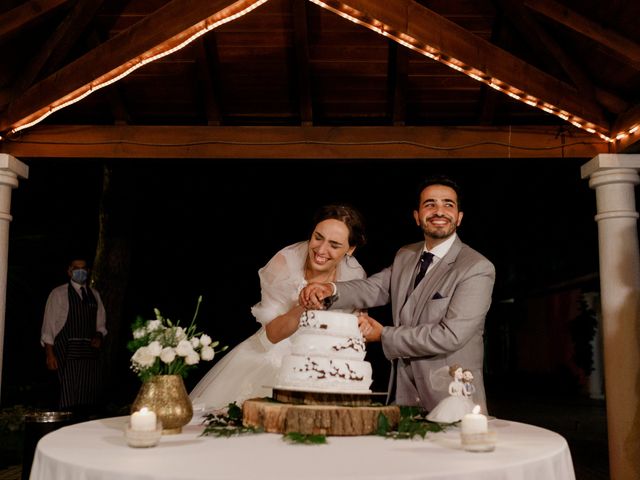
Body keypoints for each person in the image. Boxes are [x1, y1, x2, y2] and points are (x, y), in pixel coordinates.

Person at [299, 174, 495, 414]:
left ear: (459, 217)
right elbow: (375, 288)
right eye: (430, 204)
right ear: (417, 216)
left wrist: (384, 335)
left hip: (452, 396)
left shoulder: (476, 267)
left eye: (448, 204)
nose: (439, 210)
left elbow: (450, 335)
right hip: (403, 395)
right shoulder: (406, 254)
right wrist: (330, 289)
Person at [189, 204, 367, 413]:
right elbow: (270, 336)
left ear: (350, 249)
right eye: (318, 237)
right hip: (271, 357)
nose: (321, 250)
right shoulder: (285, 263)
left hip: (324, 369)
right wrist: (304, 307)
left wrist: (360, 325)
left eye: (334, 245)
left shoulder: (355, 274)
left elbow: (352, 331)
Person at [41, 258, 107, 418]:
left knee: (87, 401)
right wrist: (50, 354)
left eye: (84, 268)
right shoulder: (58, 293)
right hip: (65, 354)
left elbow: (101, 324)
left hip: (88, 356)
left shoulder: (95, 295)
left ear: (88, 271)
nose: (81, 271)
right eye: (76, 268)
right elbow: (48, 326)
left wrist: (98, 336)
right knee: (66, 399)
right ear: (69, 271)